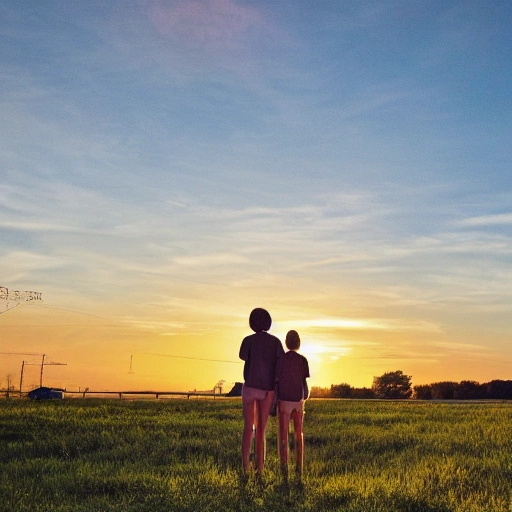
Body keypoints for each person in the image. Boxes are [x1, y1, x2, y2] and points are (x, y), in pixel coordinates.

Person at [239, 308, 284, 475]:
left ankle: (245, 468)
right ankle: (260, 469)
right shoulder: (276, 342)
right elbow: (280, 363)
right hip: (267, 389)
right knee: (261, 430)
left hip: (250, 387)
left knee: (247, 428)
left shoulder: (247, 340)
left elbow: (243, 356)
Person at [276, 330, 310, 480]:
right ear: (299, 343)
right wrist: (304, 398)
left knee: (283, 435)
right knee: (299, 434)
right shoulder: (303, 360)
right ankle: (299, 467)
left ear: (286, 342)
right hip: (298, 400)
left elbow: (276, 381)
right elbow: (305, 384)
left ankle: (284, 468)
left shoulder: (280, 359)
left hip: (283, 400)